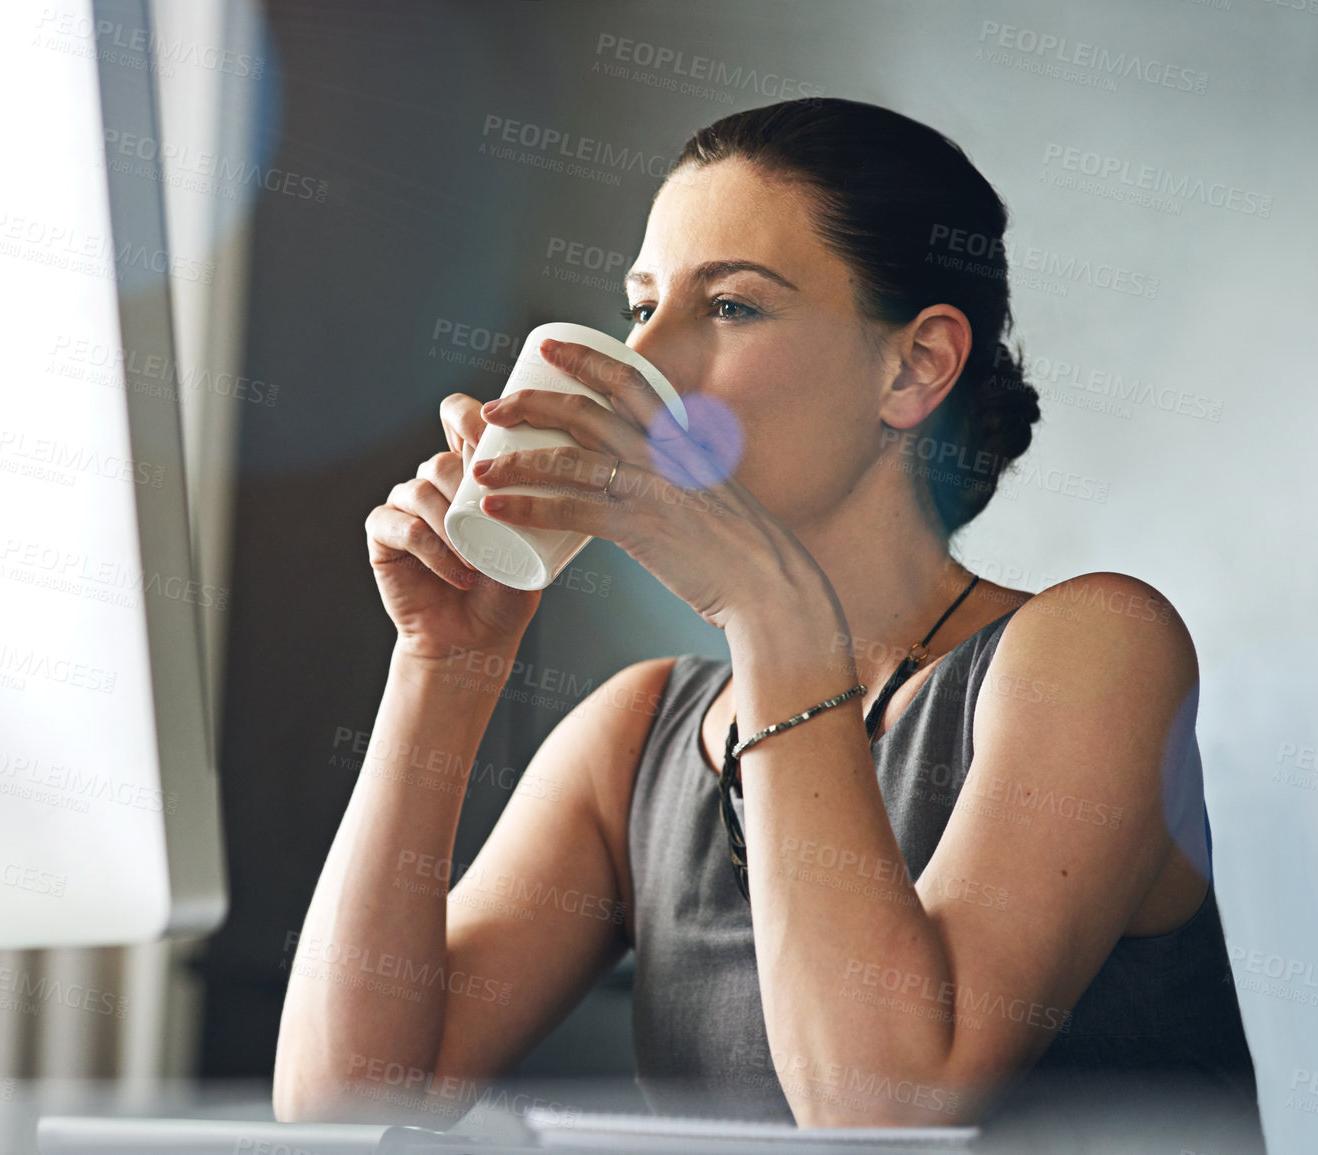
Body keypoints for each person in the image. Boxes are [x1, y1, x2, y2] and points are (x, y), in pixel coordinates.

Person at [272, 98, 1254, 1128]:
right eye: (640, 307)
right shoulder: (638, 736)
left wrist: (771, 609)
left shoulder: (1095, 649)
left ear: (914, 366)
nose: (648, 363)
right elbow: (344, 1114)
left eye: (732, 306)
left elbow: (886, 1112)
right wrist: (442, 665)